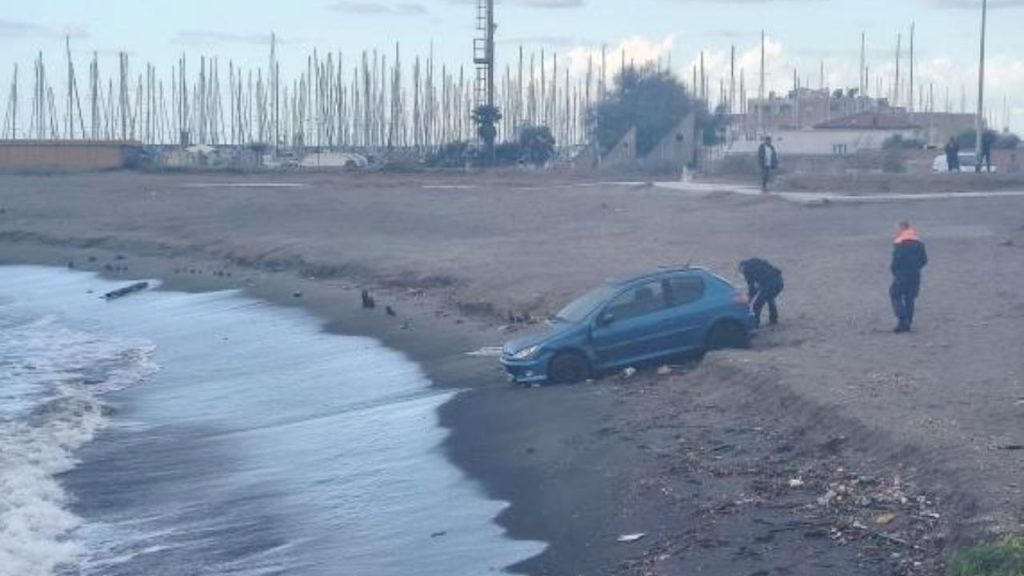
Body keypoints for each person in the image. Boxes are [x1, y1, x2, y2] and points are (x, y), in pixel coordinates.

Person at [889, 221, 928, 333]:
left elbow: (895, 261)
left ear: (901, 229)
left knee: (895, 294)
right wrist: (916, 267)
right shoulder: (919, 243)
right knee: (909, 298)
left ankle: (902, 320)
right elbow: (924, 260)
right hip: (915, 274)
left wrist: (895, 271)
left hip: (902, 274)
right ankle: (908, 323)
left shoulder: (899, 243)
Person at [740, 258, 784, 327]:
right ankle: (773, 319)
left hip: (770, 284)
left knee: (757, 305)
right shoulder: (756, 263)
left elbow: (752, 289)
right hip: (779, 281)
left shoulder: (747, 270)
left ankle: (755, 324)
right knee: (770, 298)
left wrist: (748, 300)